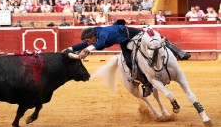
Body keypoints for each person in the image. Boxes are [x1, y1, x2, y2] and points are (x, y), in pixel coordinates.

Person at [63, 19, 191, 97]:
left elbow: (100, 43)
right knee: (129, 62)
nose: (88, 43)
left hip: (133, 34)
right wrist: (70, 49)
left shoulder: (102, 34)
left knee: (156, 41)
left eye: (88, 41)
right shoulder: (94, 35)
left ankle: (180, 53)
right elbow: (85, 44)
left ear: (92, 37)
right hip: (124, 42)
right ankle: (147, 84)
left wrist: (86, 50)